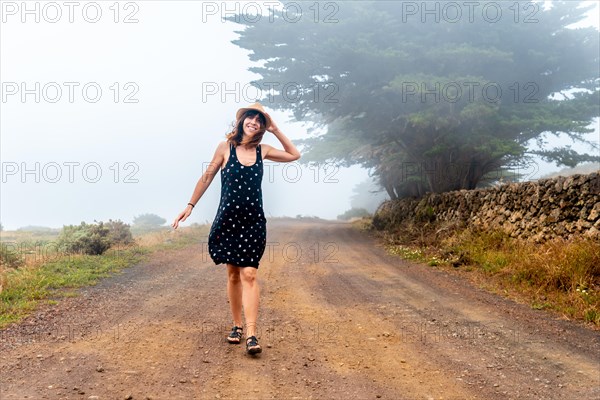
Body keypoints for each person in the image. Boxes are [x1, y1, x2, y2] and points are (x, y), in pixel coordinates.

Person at [172, 102, 301, 355]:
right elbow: (207, 176)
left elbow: (294, 154)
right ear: (241, 121)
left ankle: (252, 334)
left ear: (263, 126)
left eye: (259, 120)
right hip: (228, 220)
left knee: (250, 274)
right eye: (250, 118)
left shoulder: (264, 150)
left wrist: (276, 129)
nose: (253, 122)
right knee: (233, 274)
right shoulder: (225, 147)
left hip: (253, 221)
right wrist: (190, 205)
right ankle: (237, 325)